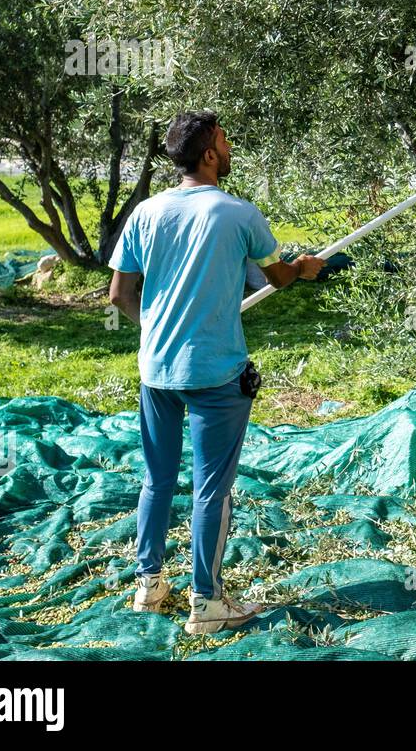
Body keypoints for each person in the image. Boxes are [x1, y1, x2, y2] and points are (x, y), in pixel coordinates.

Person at [108, 110, 324, 632]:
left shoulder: (146, 212)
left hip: (155, 370)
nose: (229, 149)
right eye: (224, 142)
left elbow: (118, 295)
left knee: (157, 480)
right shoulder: (238, 214)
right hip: (215, 373)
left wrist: (157, 328)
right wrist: (305, 267)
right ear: (208, 155)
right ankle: (206, 603)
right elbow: (276, 277)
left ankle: (149, 583)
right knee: (211, 489)